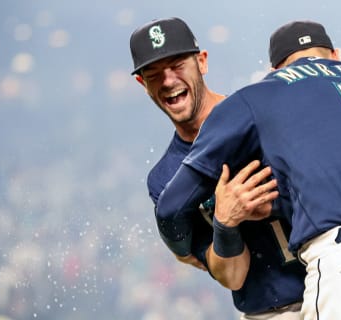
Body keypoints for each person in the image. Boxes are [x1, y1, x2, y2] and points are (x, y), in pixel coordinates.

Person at [156, 20, 341, 320]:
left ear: (276, 68)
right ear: (334, 55)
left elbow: (170, 207)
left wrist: (183, 249)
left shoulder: (266, 92)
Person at [130, 17, 306, 319]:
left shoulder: (262, 115)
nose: (168, 80)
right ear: (142, 84)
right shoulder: (166, 180)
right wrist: (225, 222)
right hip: (269, 313)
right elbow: (232, 277)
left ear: (202, 62)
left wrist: (277, 204)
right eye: (154, 74)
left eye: (177, 65)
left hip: (332, 287)